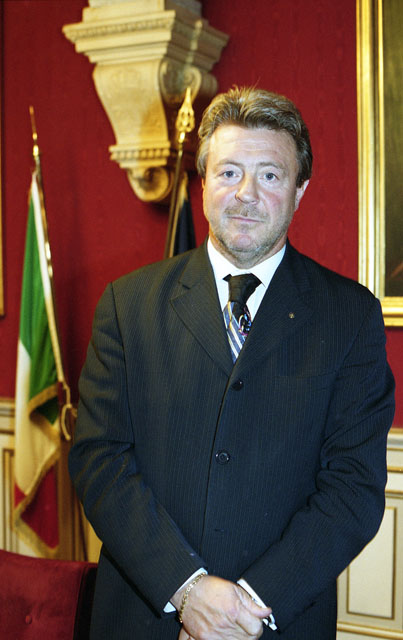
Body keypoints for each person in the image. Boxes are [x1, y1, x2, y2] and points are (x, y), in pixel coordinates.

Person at [69, 87, 395, 639]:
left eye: (269, 175)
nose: (246, 194)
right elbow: (100, 460)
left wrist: (248, 607)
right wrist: (186, 588)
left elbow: (354, 488)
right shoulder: (128, 304)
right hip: (145, 617)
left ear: (299, 190)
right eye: (228, 172)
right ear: (203, 183)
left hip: (276, 622)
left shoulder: (350, 316)